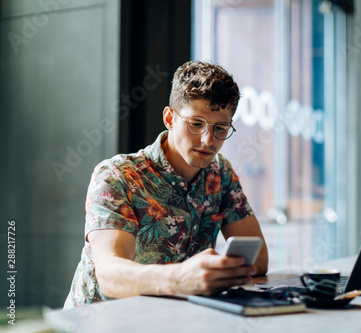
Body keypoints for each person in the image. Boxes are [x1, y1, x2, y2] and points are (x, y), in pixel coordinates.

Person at [64, 60, 268, 309]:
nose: (208, 140)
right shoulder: (117, 175)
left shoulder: (220, 174)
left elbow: (258, 260)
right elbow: (109, 276)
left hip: (168, 320)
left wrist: (217, 272)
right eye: (196, 123)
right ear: (170, 118)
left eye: (221, 128)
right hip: (98, 322)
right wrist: (181, 278)